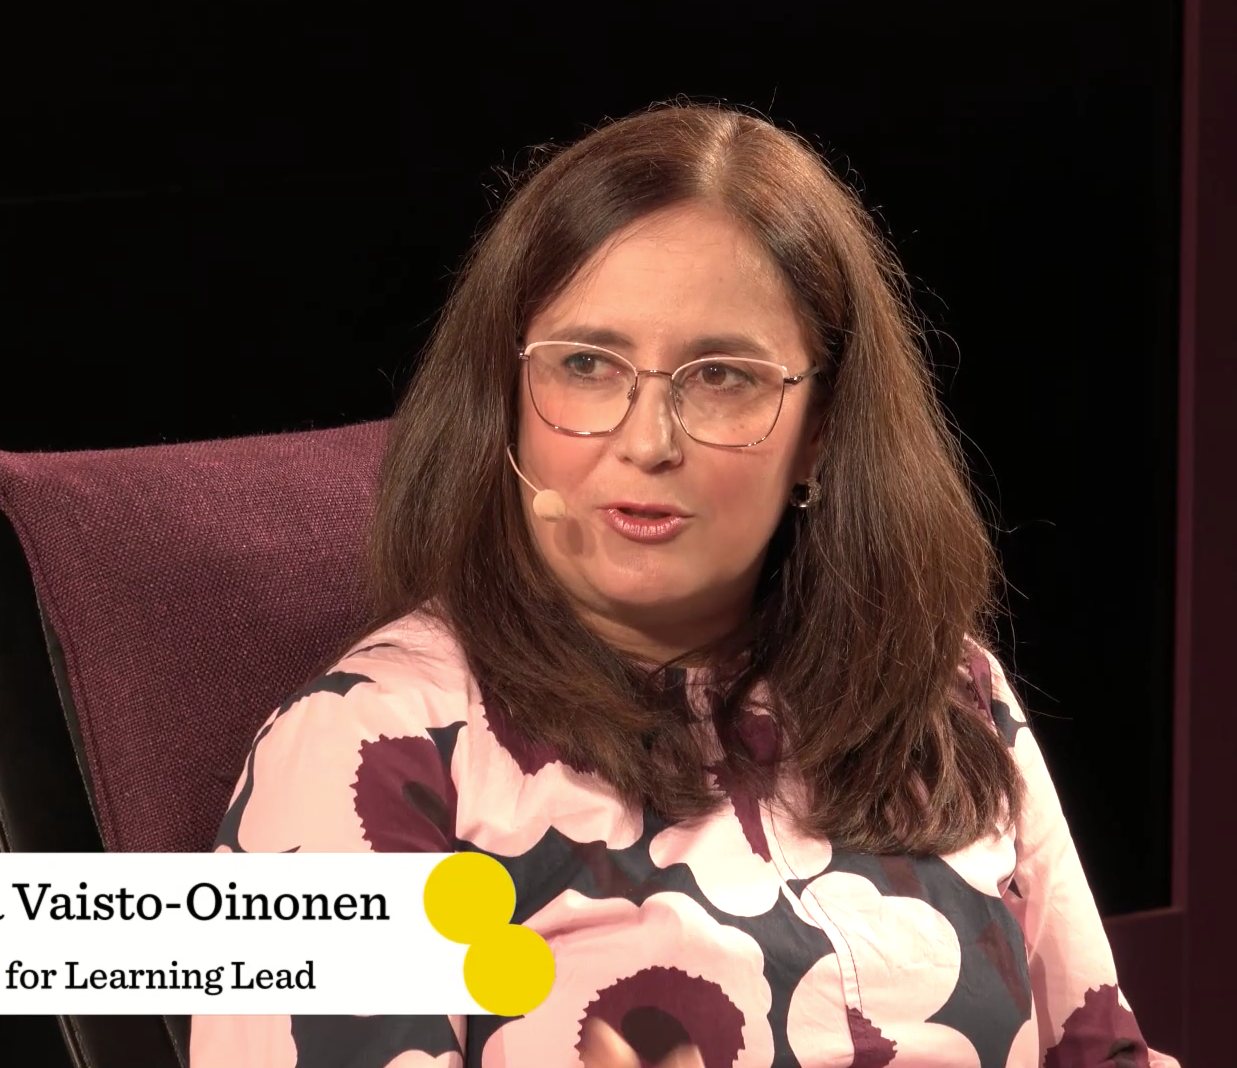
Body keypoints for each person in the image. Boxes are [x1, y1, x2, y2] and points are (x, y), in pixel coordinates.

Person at [191, 103, 1176, 1068]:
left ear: (820, 433)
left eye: (721, 377)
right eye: (586, 364)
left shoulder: (949, 687)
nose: (648, 442)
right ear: (507, 401)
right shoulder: (362, 754)